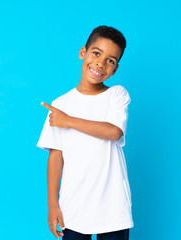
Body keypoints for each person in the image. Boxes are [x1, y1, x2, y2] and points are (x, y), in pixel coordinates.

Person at [37, 25, 133, 240]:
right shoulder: (60, 104)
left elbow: (114, 132)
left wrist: (68, 121)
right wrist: (53, 205)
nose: (100, 63)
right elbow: (55, 157)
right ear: (83, 53)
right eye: (96, 53)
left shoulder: (117, 95)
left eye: (110, 60)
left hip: (113, 206)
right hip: (74, 205)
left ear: (115, 68)